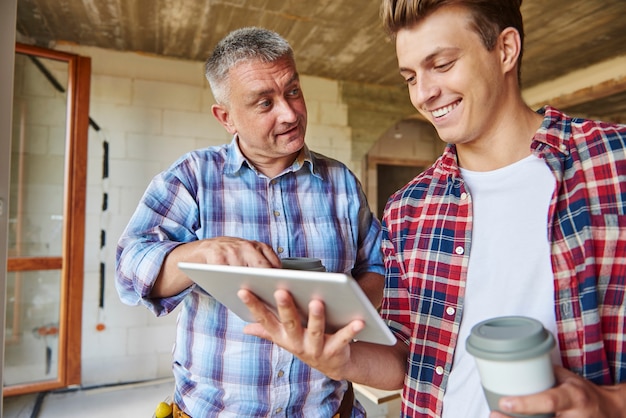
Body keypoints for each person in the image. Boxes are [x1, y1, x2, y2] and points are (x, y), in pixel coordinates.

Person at [238, 1, 626, 417]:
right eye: (410, 77)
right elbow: (407, 358)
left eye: (441, 64)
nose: (423, 94)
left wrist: (608, 403)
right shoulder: (409, 207)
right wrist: (340, 360)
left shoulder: (612, 163)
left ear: (506, 50)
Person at [115, 26, 385, 418]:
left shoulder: (341, 182)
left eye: (293, 90)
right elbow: (128, 271)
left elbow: (376, 266)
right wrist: (197, 253)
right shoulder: (192, 177)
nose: (289, 113)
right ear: (226, 117)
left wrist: (339, 316)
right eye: (264, 102)